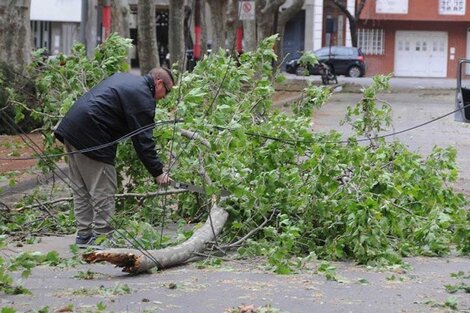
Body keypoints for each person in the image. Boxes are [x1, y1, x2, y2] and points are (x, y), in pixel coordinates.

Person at [54, 67, 174, 247]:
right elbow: (143, 140)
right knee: (103, 187)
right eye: (167, 91)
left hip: (72, 128)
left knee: (82, 188)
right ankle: (102, 237)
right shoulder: (142, 97)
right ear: (158, 83)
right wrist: (158, 172)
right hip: (92, 134)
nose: (165, 97)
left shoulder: (127, 80)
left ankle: (84, 235)